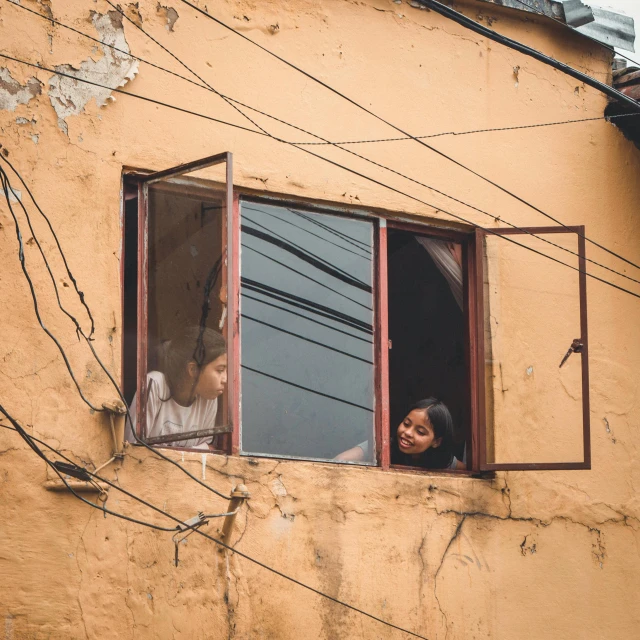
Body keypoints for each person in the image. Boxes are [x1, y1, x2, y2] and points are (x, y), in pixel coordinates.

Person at [125, 327, 227, 450]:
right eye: (220, 370)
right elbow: (133, 447)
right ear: (193, 370)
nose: (225, 379)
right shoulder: (155, 385)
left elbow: (208, 450)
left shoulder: (209, 398)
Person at [335, 398, 465, 470]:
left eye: (420, 432)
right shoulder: (383, 446)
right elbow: (340, 461)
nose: (407, 432)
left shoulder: (444, 461)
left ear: (436, 441)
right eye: (406, 424)